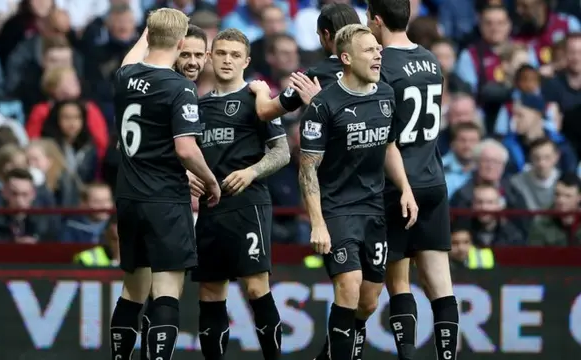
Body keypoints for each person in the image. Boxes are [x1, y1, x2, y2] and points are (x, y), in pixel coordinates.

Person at [298, 24, 417, 360]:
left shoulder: (386, 94)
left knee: (368, 301)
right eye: (369, 50)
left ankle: (329, 353)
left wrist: (405, 188)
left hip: (374, 210)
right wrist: (317, 222)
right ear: (346, 58)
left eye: (379, 48)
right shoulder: (323, 105)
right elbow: (307, 168)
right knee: (348, 287)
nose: (378, 54)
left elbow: (390, 145)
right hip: (337, 211)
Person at [109, 8, 221, 360]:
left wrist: (153, 26)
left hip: (128, 197)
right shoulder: (179, 88)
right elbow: (186, 149)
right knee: (167, 292)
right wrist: (209, 179)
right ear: (178, 43)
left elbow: (134, 54)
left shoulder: (124, 76)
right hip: (164, 200)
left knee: (132, 291)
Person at [190, 28, 291, 360]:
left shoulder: (257, 100)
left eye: (235, 55)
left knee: (255, 287)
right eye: (221, 53)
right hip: (209, 207)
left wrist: (251, 172)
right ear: (209, 57)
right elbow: (184, 154)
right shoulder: (196, 106)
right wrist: (187, 175)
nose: (227, 60)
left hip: (248, 205)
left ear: (246, 61)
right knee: (210, 290)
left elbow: (282, 153)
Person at [368, 1, 460, 359]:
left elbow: (387, 137)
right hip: (434, 179)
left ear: (376, 20)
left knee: (399, 284)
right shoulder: (432, 61)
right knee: (442, 286)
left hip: (397, 183)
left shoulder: (381, 65)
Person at [249, 3, 362, 120]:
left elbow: (264, 112)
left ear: (326, 35)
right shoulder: (376, 65)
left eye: (319, 34)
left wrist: (261, 90)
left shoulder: (311, 78)